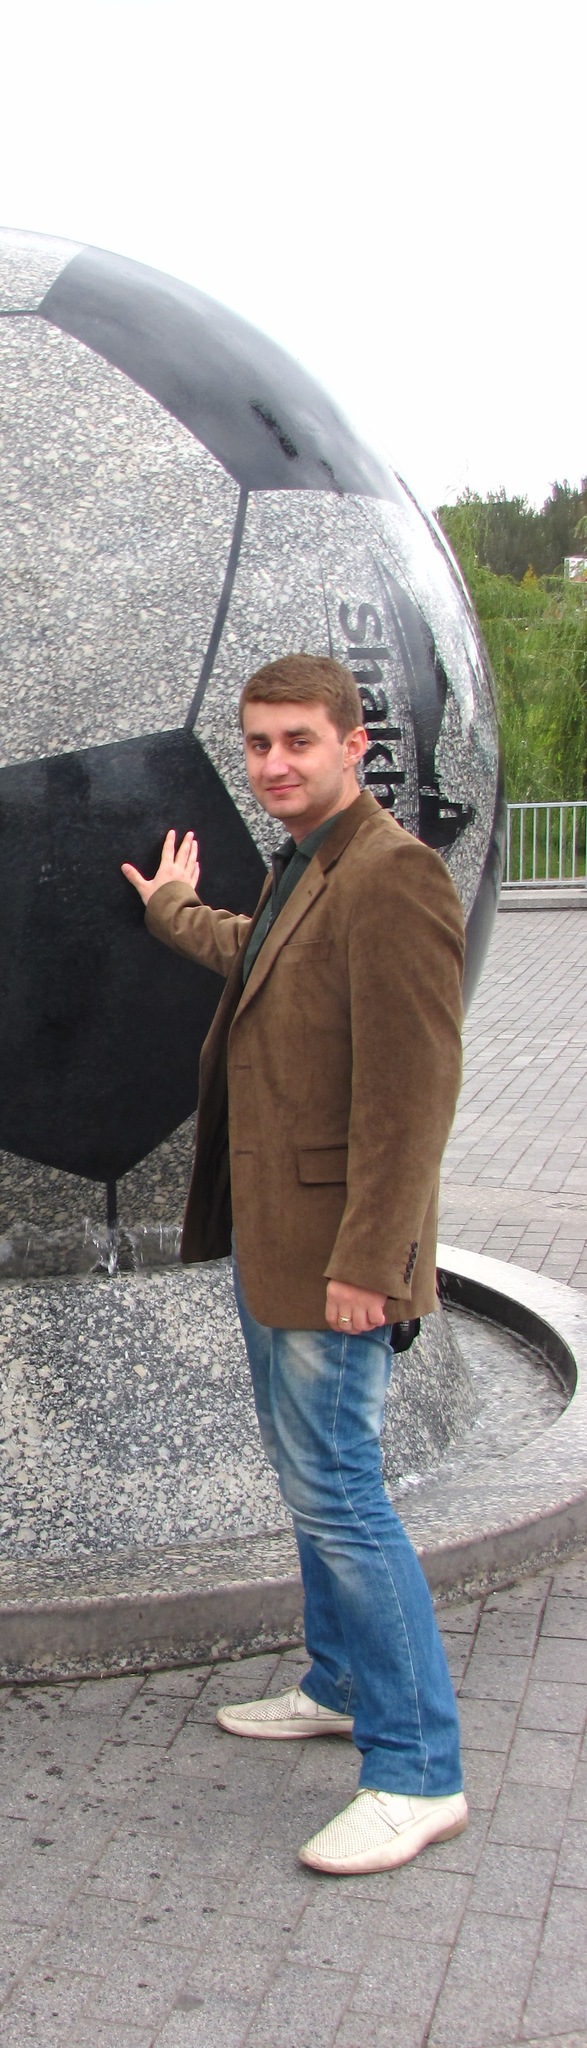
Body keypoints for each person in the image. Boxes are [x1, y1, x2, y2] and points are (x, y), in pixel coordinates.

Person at [122, 652, 468, 1876]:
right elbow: (264, 961)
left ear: (353, 743)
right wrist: (172, 911)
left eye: (298, 741)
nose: (273, 763)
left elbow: (413, 1092)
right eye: (258, 742)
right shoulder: (306, 864)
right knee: (309, 1476)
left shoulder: (392, 874)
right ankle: (336, 1682)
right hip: (277, 1237)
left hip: (338, 1257)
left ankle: (417, 1768)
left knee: (341, 1492)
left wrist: (371, 1260)